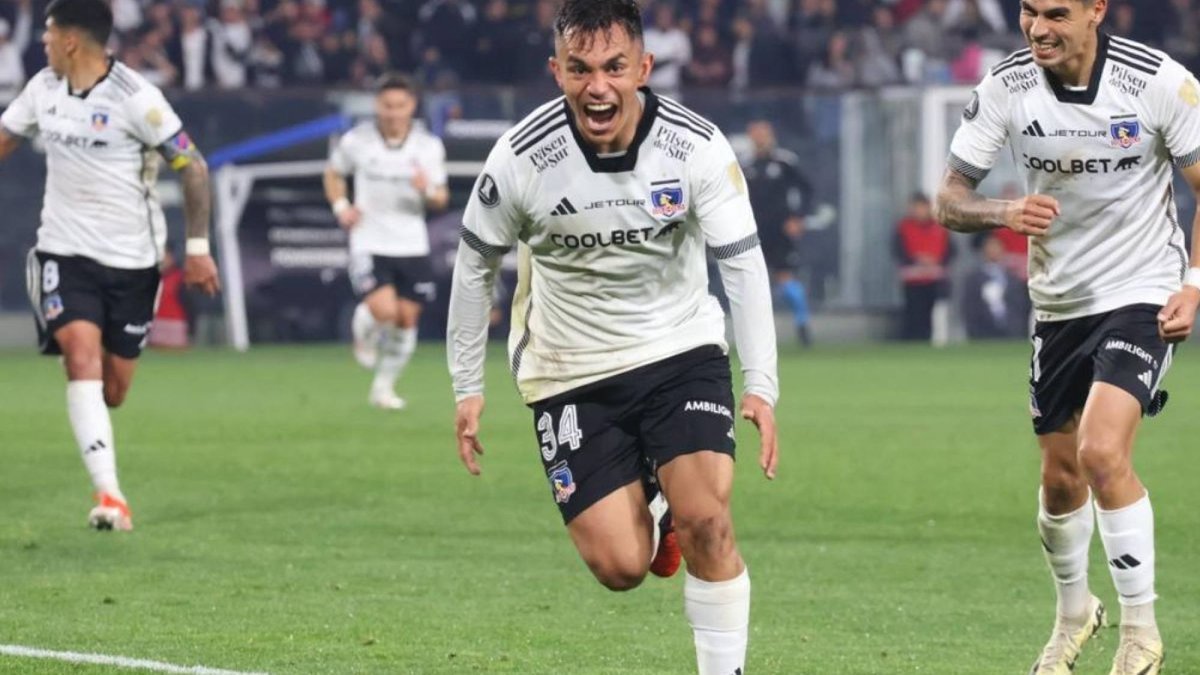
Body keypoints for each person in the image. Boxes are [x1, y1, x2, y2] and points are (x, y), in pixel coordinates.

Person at [446, 1, 779, 673]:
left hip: (680, 349)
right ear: (556, 71)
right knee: (622, 566)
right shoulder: (520, 158)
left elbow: (742, 262)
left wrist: (762, 384)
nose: (597, 86)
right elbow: (473, 264)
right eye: (580, 69)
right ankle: (653, 496)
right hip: (569, 369)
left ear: (644, 68)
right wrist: (467, 385)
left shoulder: (696, 147)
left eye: (614, 67)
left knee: (708, 519)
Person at [934, 1, 1200, 672]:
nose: (1037, 28)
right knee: (1059, 481)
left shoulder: (1158, 81)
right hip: (1057, 305)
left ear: (1095, 11)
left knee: (1102, 451)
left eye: (1055, 12)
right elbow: (949, 197)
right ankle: (1075, 610)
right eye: (1027, 11)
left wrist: (1194, 281)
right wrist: (1003, 210)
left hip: (1141, 292)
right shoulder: (1007, 86)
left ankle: (1141, 630)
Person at [0, 0, 220, 531]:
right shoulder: (42, 89)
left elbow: (193, 168)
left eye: (50, 34)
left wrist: (196, 251)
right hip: (62, 251)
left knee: (113, 391)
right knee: (80, 355)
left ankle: (92, 389)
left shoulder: (138, 100)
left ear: (72, 41)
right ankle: (110, 495)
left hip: (132, 262)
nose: (43, 43)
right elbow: (4, 139)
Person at [324, 72, 449, 410]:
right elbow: (333, 173)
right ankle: (362, 328)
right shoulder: (357, 141)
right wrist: (341, 206)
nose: (393, 112)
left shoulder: (428, 147)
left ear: (412, 106)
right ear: (377, 105)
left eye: (400, 105)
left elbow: (440, 198)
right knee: (385, 310)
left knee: (407, 320)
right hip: (369, 239)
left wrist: (427, 189)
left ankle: (383, 388)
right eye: (387, 105)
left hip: (411, 242)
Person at [743, 119, 814, 346]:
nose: (760, 138)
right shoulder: (744, 164)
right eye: (755, 134)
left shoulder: (784, 161)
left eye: (763, 133)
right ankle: (756, 334)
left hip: (780, 230)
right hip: (752, 231)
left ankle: (803, 326)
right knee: (751, 280)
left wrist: (798, 217)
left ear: (771, 135)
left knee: (785, 278)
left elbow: (807, 188)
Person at [893, 192, 954, 342]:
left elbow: (950, 251)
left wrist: (935, 261)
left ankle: (927, 339)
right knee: (913, 312)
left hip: (933, 279)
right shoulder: (904, 227)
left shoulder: (940, 227)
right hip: (912, 280)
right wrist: (916, 259)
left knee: (929, 313)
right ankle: (911, 340)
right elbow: (898, 251)